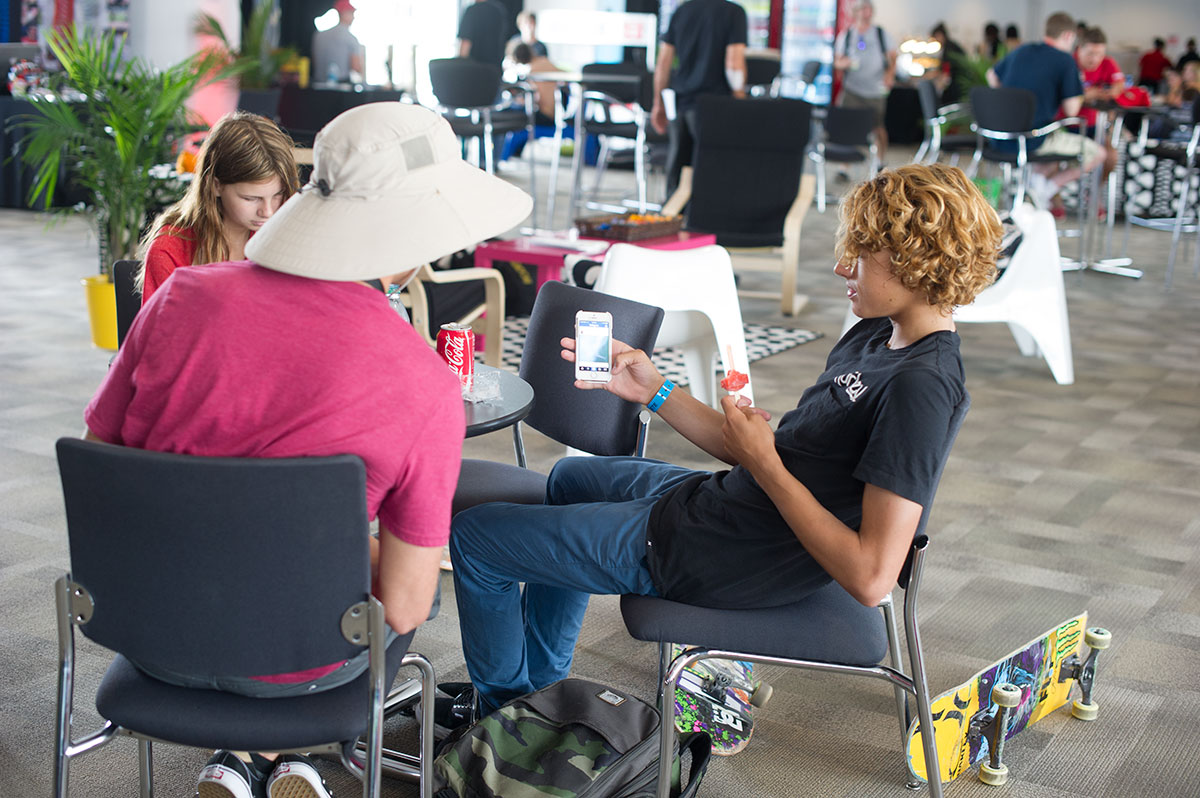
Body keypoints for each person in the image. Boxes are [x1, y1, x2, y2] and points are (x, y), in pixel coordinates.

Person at [444, 163, 1002, 724]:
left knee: (474, 539)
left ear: (912, 260)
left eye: (860, 255)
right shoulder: (876, 336)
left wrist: (765, 461)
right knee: (569, 479)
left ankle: (499, 721)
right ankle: (537, 694)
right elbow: (760, 453)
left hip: (729, 553)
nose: (840, 267)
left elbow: (870, 576)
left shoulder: (922, 389)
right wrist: (654, 389)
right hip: (732, 505)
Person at [84, 102, 532, 798]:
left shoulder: (181, 299)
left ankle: (256, 756)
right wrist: (321, 551)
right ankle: (294, 747)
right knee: (392, 601)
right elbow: (407, 605)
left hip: (151, 635)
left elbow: (99, 473)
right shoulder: (423, 387)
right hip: (306, 662)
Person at [136, 111, 300, 305]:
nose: (268, 212)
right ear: (215, 185)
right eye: (251, 198)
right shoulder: (171, 250)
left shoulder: (283, 238)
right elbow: (163, 332)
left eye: (277, 195)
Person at [987, 11, 1105, 210]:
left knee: (1053, 152)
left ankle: (1034, 189)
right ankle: (1046, 189)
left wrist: (1009, 102)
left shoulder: (1022, 50)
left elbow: (991, 76)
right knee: (1098, 153)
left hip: (999, 138)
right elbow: (1072, 110)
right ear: (1068, 36)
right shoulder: (1065, 60)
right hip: (1034, 139)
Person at [651, 0, 747, 198]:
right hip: (716, 105)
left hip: (681, 103)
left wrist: (658, 104)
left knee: (678, 162)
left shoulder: (682, 11)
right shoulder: (733, 12)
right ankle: (703, 220)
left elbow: (663, 63)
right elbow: (734, 65)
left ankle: (672, 216)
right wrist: (740, 100)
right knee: (711, 165)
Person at [833, 0, 898, 160]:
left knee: (878, 128)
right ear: (855, 12)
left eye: (869, 9)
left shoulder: (881, 33)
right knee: (848, 126)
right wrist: (845, 63)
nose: (866, 12)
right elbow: (837, 61)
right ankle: (844, 165)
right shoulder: (847, 34)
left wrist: (889, 75)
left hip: (875, 90)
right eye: (863, 9)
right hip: (852, 89)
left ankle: (880, 162)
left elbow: (893, 58)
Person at [311, 0, 364, 84]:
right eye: (351, 13)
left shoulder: (318, 35)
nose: (354, 17)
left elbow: (314, 62)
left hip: (317, 86)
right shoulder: (351, 38)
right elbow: (356, 67)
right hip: (341, 89)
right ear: (343, 13)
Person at [458, 0, 509, 69]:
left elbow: (465, 43)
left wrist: (460, 68)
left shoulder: (472, 10)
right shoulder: (499, 10)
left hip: (475, 69)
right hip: (494, 69)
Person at [931, 22, 966, 104]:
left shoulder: (949, 49)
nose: (936, 41)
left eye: (935, 39)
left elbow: (947, 72)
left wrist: (939, 86)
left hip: (957, 86)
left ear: (940, 35)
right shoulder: (950, 46)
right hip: (958, 84)